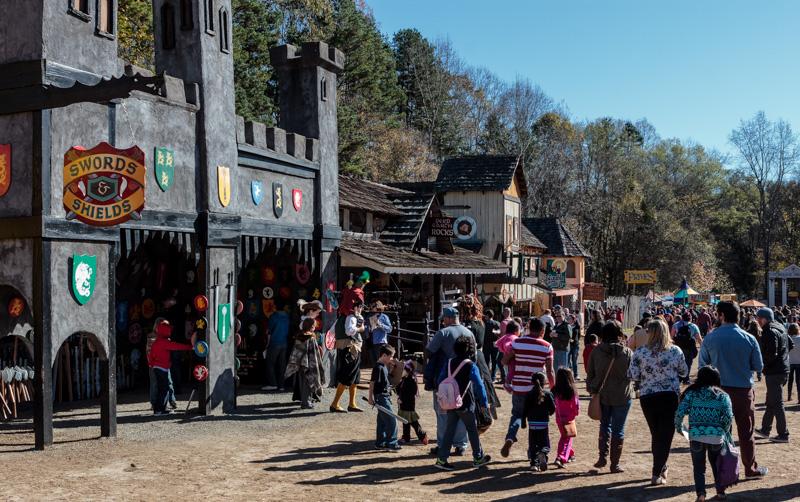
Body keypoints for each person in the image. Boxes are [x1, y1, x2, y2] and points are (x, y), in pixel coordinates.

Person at [698, 301, 767, 478]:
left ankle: (726, 471)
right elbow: (758, 366)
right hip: (743, 391)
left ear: (721, 315)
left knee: (721, 434)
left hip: (717, 392)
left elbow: (702, 367)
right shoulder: (749, 338)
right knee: (746, 432)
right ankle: (750, 468)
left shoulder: (711, 338)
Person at [628, 319, 688, 485]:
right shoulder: (675, 351)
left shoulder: (640, 352)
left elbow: (633, 375)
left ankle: (661, 468)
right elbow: (684, 371)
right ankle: (657, 471)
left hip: (648, 397)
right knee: (666, 435)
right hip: (669, 396)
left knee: (656, 433)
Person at [674, 366, 734, 502]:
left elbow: (679, 413)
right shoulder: (723, 396)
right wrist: (723, 430)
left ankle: (701, 494)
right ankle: (720, 492)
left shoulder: (691, 394)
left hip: (696, 436)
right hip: (716, 437)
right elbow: (728, 417)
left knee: (699, 468)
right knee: (717, 466)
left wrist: (680, 428)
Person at [434, 336, 492, 470]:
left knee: (449, 430)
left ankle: (442, 459)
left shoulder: (449, 362)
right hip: (465, 403)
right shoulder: (471, 365)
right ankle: (478, 457)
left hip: (450, 402)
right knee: (472, 430)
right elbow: (479, 385)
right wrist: (484, 403)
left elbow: (440, 380)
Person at [500, 318, 555, 458]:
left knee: (517, 415)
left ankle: (510, 436)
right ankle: (533, 452)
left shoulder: (517, 342)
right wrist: (553, 388)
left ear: (529, 328)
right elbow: (550, 371)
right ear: (543, 331)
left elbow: (504, 361)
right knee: (534, 420)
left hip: (519, 386)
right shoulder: (547, 346)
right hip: (536, 389)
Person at [425, 307, 476, 457]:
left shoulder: (443, 332)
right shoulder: (469, 333)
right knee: (462, 411)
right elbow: (475, 357)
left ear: (447, 319)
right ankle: (461, 445)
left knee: (443, 412)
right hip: (465, 380)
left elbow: (429, 351)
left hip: (445, 379)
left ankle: (442, 444)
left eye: (443, 319)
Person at [586, 320, 633, 473]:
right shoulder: (627, 353)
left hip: (602, 394)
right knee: (618, 430)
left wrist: (592, 390)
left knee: (605, 426)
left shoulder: (597, 351)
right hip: (622, 395)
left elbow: (590, 373)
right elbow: (632, 375)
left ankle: (602, 457)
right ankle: (615, 464)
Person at [754, 307, 794, 443]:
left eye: (758, 318)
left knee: (777, 403)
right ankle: (765, 429)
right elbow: (791, 344)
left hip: (774, 372)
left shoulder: (769, 331)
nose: (757, 321)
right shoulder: (780, 327)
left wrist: (763, 364)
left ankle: (783, 434)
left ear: (764, 318)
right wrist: (783, 357)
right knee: (772, 401)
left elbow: (771, 354)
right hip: (782, 370)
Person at [147, 320, 193, 416]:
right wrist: (190, 347)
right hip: (162, 368)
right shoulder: (164, 342)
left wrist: (151, 364)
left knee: (162, 389)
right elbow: (177, 346)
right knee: (164, 389)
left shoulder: (156, 342)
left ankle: (160, 409)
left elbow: (151, 355)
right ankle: (159, 410)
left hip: (157, 368)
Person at [330, 299, 366, 413]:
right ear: (354, 307)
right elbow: (349, 331)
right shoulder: (351, 317)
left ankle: (352, 404)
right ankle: (335, 404)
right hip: (350, 349)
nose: (361, 309)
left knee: (355, 377)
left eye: (361, 307)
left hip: (349, 348)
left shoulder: (341, 318)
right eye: (359, 307)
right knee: (347, 376)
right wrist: (360, 329)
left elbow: (332, 332)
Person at [285, 318, 325, 409]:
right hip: (309, 364)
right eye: (314, 326)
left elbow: (296, 351)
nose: (314, 327)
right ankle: (305, 403)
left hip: (300, 363)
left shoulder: (299, 335)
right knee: (308, 383)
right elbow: (314, 353)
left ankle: (306, 401)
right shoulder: (310, 337)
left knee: (303, 382)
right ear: (310, 327)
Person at [369, 345, 400, 450]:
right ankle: (392, 443)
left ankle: (380, 442)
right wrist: (370, 397)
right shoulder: (378, 367)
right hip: (381, 397)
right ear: (384, 355)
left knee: (382, 421)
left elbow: (384, 381)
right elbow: (372, 383)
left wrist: (391, 370)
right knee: (392, 419)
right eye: (390, 357)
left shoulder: (383, 366)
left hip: (385, 396)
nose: (391, 359)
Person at [524, 372, 556, 471]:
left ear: (532, 382)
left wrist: (523, 421)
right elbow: (553, 408)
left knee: (533, 443)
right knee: (544, 442)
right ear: (545, 382)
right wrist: (550, 413)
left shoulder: (529, 394)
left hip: (532, 423)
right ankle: (543, 453)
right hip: (543, 423)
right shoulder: (548, 394)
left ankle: (534, 464)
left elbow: (525, 409)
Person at [552, 368, 579, 468]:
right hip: (569, 418)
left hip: (559, 418)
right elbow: (576, 405)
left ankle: (570, 454)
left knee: (565, 436)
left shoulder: (556, 390)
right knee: (567, 438)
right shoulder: (572, 391)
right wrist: (576, 413)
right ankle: (560, 457)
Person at [397, 360, 428, 445]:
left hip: (408, 404)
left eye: (403, 370)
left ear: (408, 371)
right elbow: (398, 390)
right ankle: (406, 437)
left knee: (413, 421)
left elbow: (411, 394)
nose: (401, 371)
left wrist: (402, 399)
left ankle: (422, 435)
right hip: (403, 404)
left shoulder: (412, 380)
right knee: (405, 421)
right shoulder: (404, 379)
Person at [263, 307, 290, 391]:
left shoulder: (273, 316)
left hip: (274, 342)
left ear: (275, 306)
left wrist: (267, 345)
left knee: (270, 363)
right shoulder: (287, 317)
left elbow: (269, 332)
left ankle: (272, 383)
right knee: (282, 365)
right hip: (284, 343)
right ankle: (281, 386)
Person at [672, 313, 702, 384]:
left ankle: (679, 378)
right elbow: (699, 338)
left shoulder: (676, 325)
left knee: (678, 362)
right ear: (690, 318)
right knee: (688, 363)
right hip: (689, 347)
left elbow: (672, 337)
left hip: (678, 347)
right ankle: (686, 379)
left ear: (682, 318)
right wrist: (702, 346)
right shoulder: (694, 326)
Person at [483, 309, 502, 383]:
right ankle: (493, 377)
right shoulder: (497, 323)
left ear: (487, 316)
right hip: (495, 344)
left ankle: (487, 377)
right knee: (494, 361)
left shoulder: (484, 324)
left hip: (486, 344)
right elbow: (499, 333)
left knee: (486, 361)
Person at [787, 323, 800, 403]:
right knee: (798, 381)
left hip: (790, 362)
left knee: (790, 381)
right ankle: (799, 398)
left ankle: (789, 396)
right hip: (799, 362)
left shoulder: (787, 338)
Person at [568, 314, 581, 379]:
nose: (569, 320)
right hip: (568, 345)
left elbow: (578, 335)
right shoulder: (567, 326)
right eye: (568, 319)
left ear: (573, 320)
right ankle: (568, 375)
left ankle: (576, 375)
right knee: (567, 360)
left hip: (575, 345)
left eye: (570, 319)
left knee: (574, 360)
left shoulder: (577, 326)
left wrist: (576, 341)